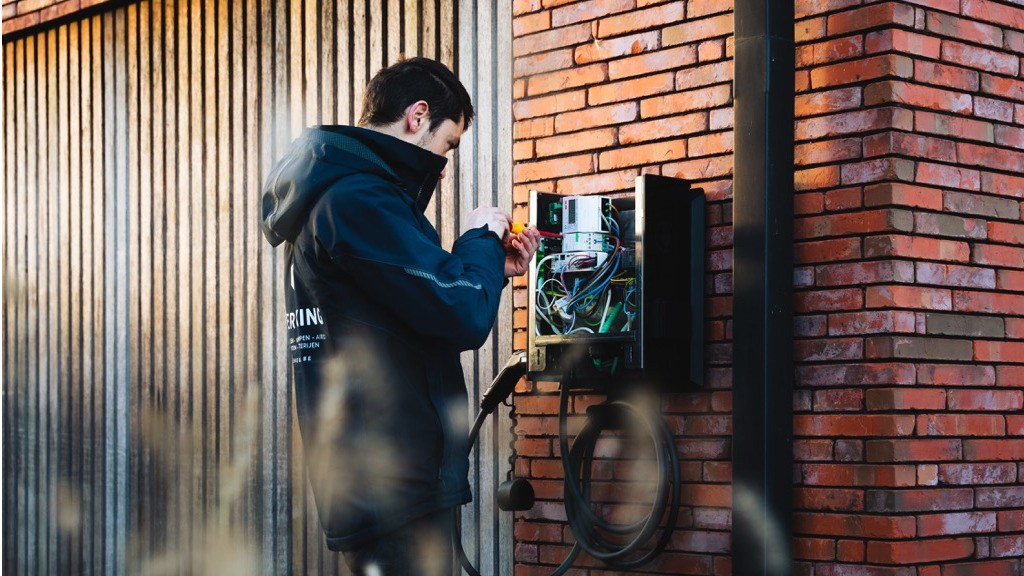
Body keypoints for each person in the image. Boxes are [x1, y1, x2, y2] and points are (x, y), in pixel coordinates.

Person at [259, 56, 541, 576]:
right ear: (418, 116)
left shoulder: (341, 199)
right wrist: (481, 236)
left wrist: (490, 267)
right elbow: (461, 314)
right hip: (391, 489)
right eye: (448, 144)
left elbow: (421, 307)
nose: (444, 164)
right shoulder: (358, 201)